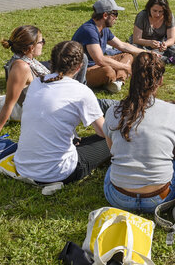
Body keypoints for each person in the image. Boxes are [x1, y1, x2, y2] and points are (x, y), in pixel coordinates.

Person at [13, 41, 111, 184]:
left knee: (83, 141)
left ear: (51, 62)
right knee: (113, 139)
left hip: (23, 166)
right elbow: (104, 133)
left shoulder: (37, 83)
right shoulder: (81, 91)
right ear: (79, 67)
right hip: (58, 172)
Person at [103, 52, 175, 212]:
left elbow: (112, 152)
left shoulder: (113, 111)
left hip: (118, 197)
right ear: (161, 80)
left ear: (132, 77)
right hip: (161, 196)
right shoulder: (174, 111)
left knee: (113, 166)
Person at [72, 0, 143, 92]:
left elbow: (122, 45)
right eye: (115, 14)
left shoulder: (104, 29)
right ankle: (115, 78)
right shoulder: (89, 31)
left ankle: (117, 81)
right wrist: (126, 67)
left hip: (98, 66)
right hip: (84, 71)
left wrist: (146, 52)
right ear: (105, 15)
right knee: (108, 71)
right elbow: (100, 60)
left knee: (127, 56)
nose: (116, 18)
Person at [0, 25, 51, 137]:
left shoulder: (27, 60)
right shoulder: (21, 67)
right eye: (41, 41)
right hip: (44, 115)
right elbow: (9, 103)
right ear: (31, 47)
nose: (43, 44)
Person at [132, 0, 175, 64]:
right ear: (149, 8)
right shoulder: (142, 16)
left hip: (159, 46)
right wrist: (149, 43)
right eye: (154, 11)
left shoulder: (169, 16)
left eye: (160, 12)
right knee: (135, 49)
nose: (157, 14)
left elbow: (171, 39)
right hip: (143, 44)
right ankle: (167, 60)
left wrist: (165, 45)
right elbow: (136, 39)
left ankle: (154, 57)